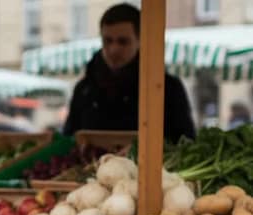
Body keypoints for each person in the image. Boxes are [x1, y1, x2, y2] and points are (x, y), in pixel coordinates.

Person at [62, 3, 195, 143]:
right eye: (107, 41)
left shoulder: (166, 88)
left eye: (123, 42)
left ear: (140, 40)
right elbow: (68, 140)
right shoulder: (84, 89)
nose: (114, 49)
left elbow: (185, 142)